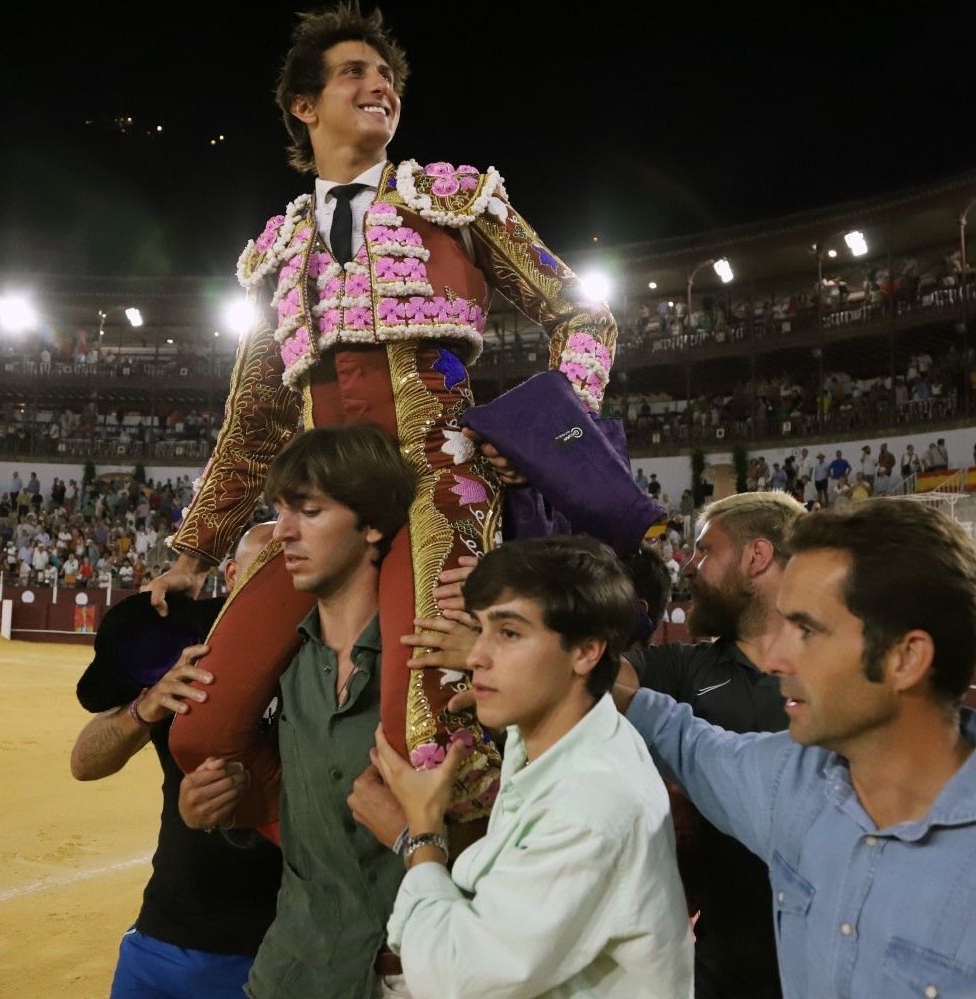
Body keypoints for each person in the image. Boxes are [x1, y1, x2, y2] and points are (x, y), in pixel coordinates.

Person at [146, 1, 618, 830]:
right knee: (204, 731)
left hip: (442, 480)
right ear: (304, 106)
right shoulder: (274, 254)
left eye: (387, 76)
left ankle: (450, 901)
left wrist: (546, 435)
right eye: (354, 73)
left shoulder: (459, 202)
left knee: (432, 729)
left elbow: (582, 316)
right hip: (322, 504)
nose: (380, 86)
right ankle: (344, 850)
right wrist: (193, 551)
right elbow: (258, 417)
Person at [613, 498, 976, 996]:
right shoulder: (790, 780)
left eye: (807, 630)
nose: (776, 659)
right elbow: (678, 734)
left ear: (905, 658)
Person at [373, 536, 693, 998]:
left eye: (509, 633)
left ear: (586, 652)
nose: (477, 655)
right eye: (480, 629)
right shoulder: (568, 737)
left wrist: (421, 837)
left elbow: (457, 978)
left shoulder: (591, 806)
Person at [196, 423, 440, 996]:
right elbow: (281, 805)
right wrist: (219, 803)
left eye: (307, 511)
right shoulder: (273, 673)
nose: (282, 532)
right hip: (292, 972)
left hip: (412, 976)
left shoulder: (440, 663)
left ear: (373, 525)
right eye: (281, 510)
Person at [69, 523, 282, 998]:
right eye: (263, 566)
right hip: (168, 936)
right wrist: (143, 709)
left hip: (285, 948)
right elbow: (85, 761)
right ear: (230, 574)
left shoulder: (336, 654)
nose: (277, 582)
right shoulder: (187, 651)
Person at [615, 492, 801, 998]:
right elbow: (592, 679)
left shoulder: (839, 672)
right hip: (721, 965)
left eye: (705, 551)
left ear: (756, 556)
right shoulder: (682, 667)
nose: (690, 567)